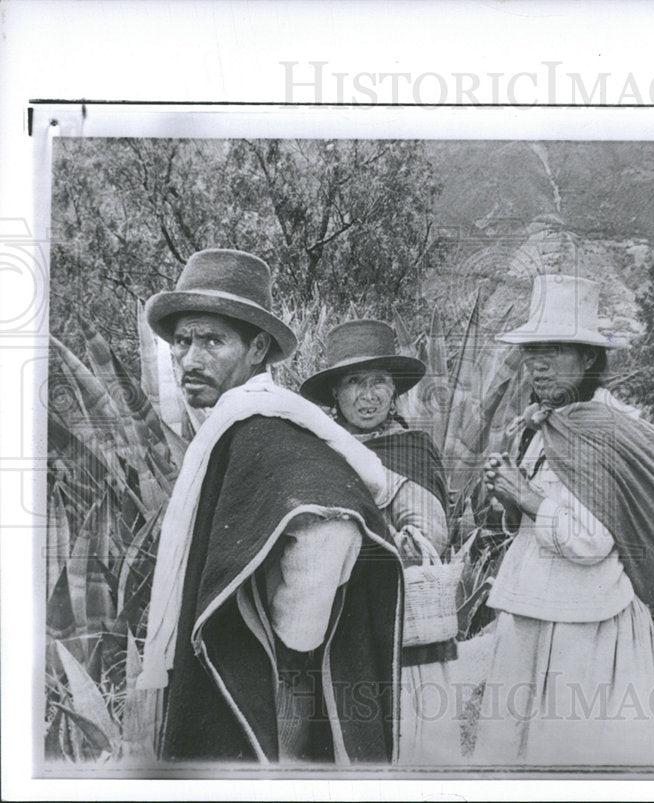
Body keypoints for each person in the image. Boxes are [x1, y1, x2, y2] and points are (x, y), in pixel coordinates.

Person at [136, 249, 402, 764]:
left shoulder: (264, 430)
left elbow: (332, 531)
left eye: (213, 341)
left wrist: (283, 640)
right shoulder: (240, 423)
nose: (190, 359)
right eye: (183, 341)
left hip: (262, 685)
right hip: (255, 677)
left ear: (258, 348)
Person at [471, 274, 654, 766]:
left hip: (583, 624)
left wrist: (525, 495)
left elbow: (592, 542)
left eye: (555, 350)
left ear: (588, 359)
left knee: (570, 755)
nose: (539, 364)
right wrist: (509, 496)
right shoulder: (549, 422)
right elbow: (529, 524)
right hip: (535, 610)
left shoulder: (604, 429)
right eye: (533, 352)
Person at [300, 319, 462, 765]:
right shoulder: (318, 451)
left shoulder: (411, 448)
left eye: (378, 383)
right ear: (335, 393)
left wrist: (396, 533)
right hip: (338, 609)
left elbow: (431, 529)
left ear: (394, 393)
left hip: (401, 613)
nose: (367, 395)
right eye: (355, 382)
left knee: (414, 737)